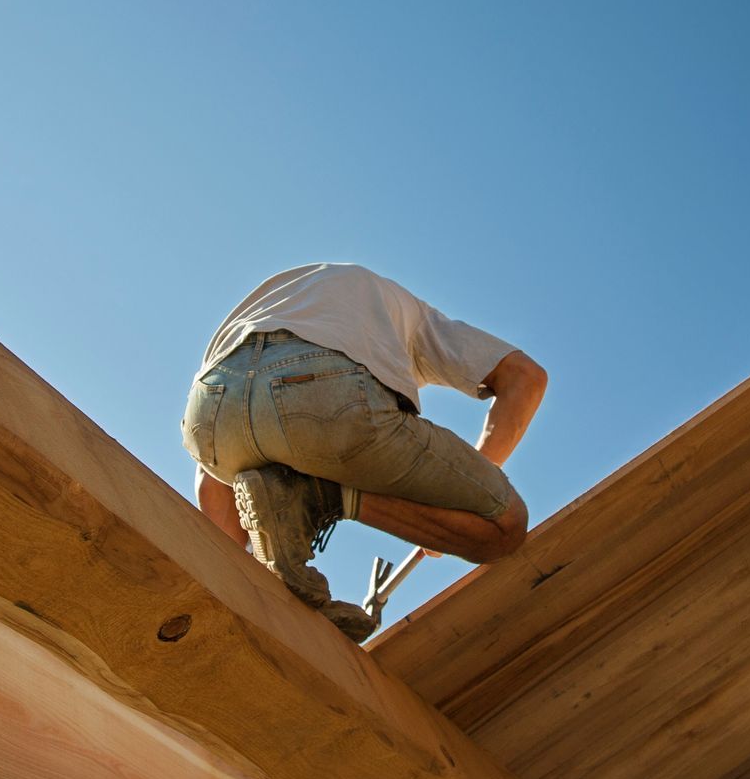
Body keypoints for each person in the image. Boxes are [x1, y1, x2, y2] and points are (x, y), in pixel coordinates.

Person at [181, 263, 546, 641]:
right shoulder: (409, 314)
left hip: (208, 413)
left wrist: (242, 587)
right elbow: (525, 377)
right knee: (502, 526)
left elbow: (215, 475)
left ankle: (274, 591)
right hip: (320, 392)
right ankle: (324, 498)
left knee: (241, 570)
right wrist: (449, 507)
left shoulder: (273, 300)